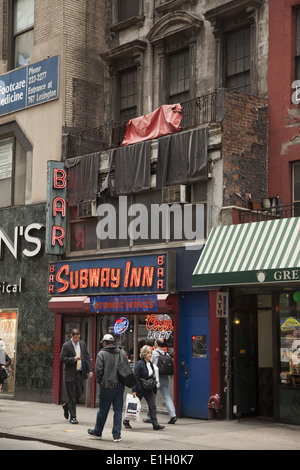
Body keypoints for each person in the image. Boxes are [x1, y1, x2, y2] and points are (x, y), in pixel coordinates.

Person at [88, 334, 128, 442]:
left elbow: (98, 371)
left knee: (103, 411)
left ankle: (98, 432)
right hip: (119, 387)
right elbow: (126, 369)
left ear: (105, 343)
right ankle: (117, 435)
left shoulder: (102, 353)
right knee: (118, 411)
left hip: (106, 386)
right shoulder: (122, 352)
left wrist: (100, 382)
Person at [123, 345, 165, 431]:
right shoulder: (139, 364)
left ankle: (155, 424)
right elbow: (135, 377)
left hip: (149, 389)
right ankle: (126, 421)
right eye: (148, 353)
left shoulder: (151, 365)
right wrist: (134, 390)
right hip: (140, 388)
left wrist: (154, 389)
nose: (150, 355)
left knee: (152, 406)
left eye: (151, 353)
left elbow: (152, 377)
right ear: (143, 354)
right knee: (134, 405)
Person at [60, 328, 93, 424]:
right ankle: (73, 417)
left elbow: (87, 357)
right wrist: (73, 359)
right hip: (70, 374)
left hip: (79, 373)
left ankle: (66, 406)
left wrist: (90, 370)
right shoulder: (66, 345)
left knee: (79, 392)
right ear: (71, 336)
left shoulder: (82, 344)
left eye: (78, 337)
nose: (77, 339)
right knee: (72, 396)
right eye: (75, 338)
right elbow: (62, 359)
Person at [144, 338, 177, 424]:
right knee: (166, 396)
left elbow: (149, 364)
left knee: (151, 397)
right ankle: (173, 415)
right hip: (164, 377)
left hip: (155, 378)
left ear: (157, 344)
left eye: (155, 341)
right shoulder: (166, 353)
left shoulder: (154, 353)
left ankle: (149, 417)